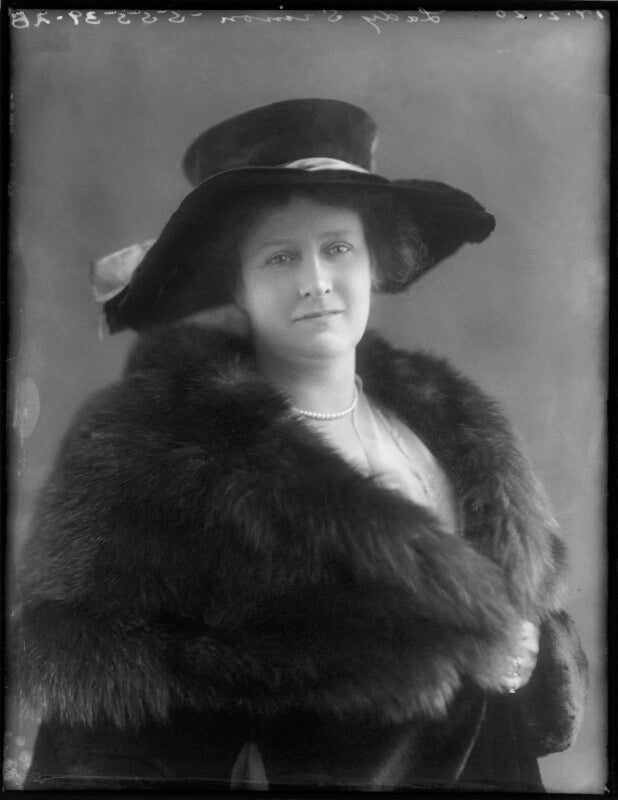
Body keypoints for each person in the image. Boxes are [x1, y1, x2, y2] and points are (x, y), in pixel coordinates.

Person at [17, 99, 587, 791]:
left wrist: (532, 653)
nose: (316, 281)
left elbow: (540, 653)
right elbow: (96, 729)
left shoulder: (457, 427)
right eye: (281, 256)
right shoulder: (156, 453)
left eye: (337, 248)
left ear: (374, 260)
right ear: (236, 282)